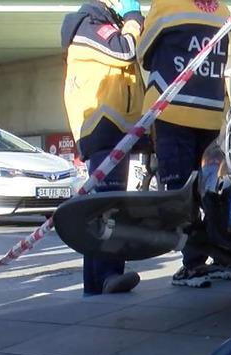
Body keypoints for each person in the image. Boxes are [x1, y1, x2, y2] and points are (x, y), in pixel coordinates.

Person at [138, 0, 231, 288]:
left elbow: (143, 53)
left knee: (182, 192)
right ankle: (222, 257)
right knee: (212, 191)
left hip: (173, 110)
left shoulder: (167, 5)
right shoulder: (220, 10)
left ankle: (193, 263)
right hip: (210, 111)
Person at [61, 0, 144, 295]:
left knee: (104, 206)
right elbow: (125, 50)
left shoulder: (106, 23)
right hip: (101, 127)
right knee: (108, 206)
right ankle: (108, 275)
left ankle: (97, 284)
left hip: (114, 128)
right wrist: (133, 17)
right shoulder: (87, 24)